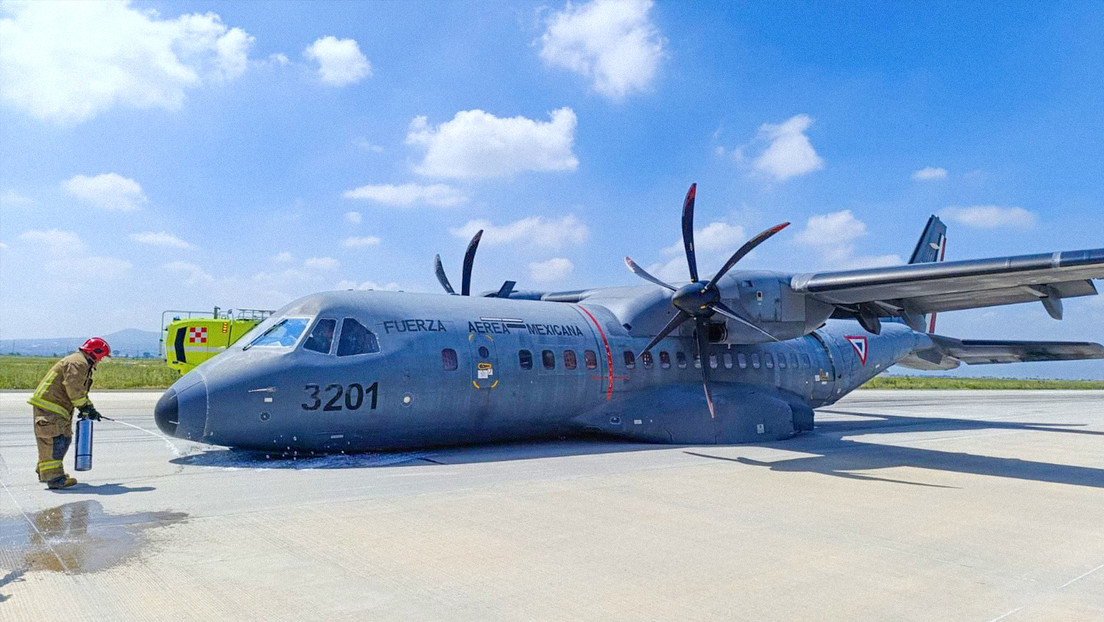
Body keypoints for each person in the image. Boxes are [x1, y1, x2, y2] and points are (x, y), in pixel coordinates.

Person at [28, 337, 110, 490]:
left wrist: (87, 408)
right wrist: (86, 407)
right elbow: (74, 389)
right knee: (55, 440)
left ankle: (45, 470)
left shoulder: (81, 362)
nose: (101, 360)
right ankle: (55, 478)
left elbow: (76, 390)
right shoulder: (77, 363)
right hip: (50, 408)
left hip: (58, 408)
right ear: (95, 352)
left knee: (64, 438)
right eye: (102, 356)